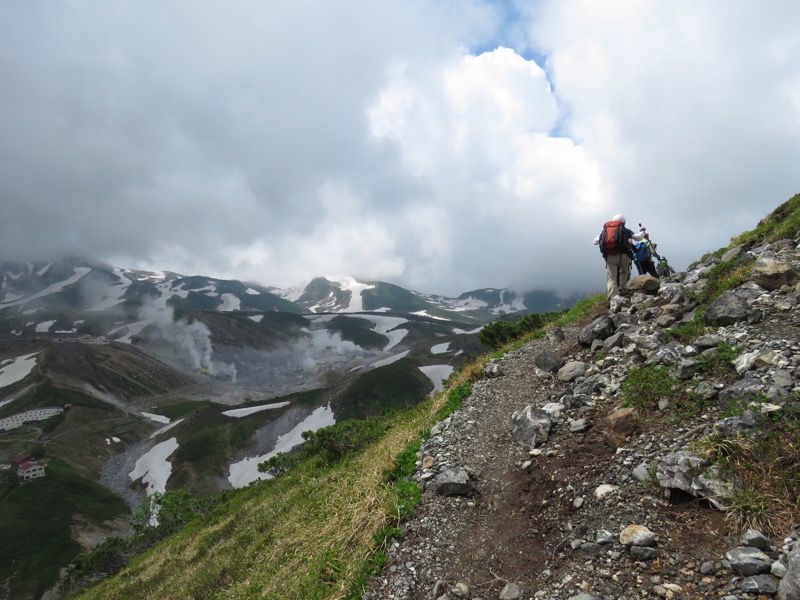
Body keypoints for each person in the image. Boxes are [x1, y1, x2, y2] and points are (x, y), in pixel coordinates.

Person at [593, 214, 639, 300]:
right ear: (623, 222)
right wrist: (642, 232)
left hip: (610, 256)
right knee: (624, 271)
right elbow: (638, 237)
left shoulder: (605, 231)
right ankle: (622, 289)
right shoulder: (625, 230)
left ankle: (613, 296)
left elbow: (595, 242)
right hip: (624, 256)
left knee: (611, 277)